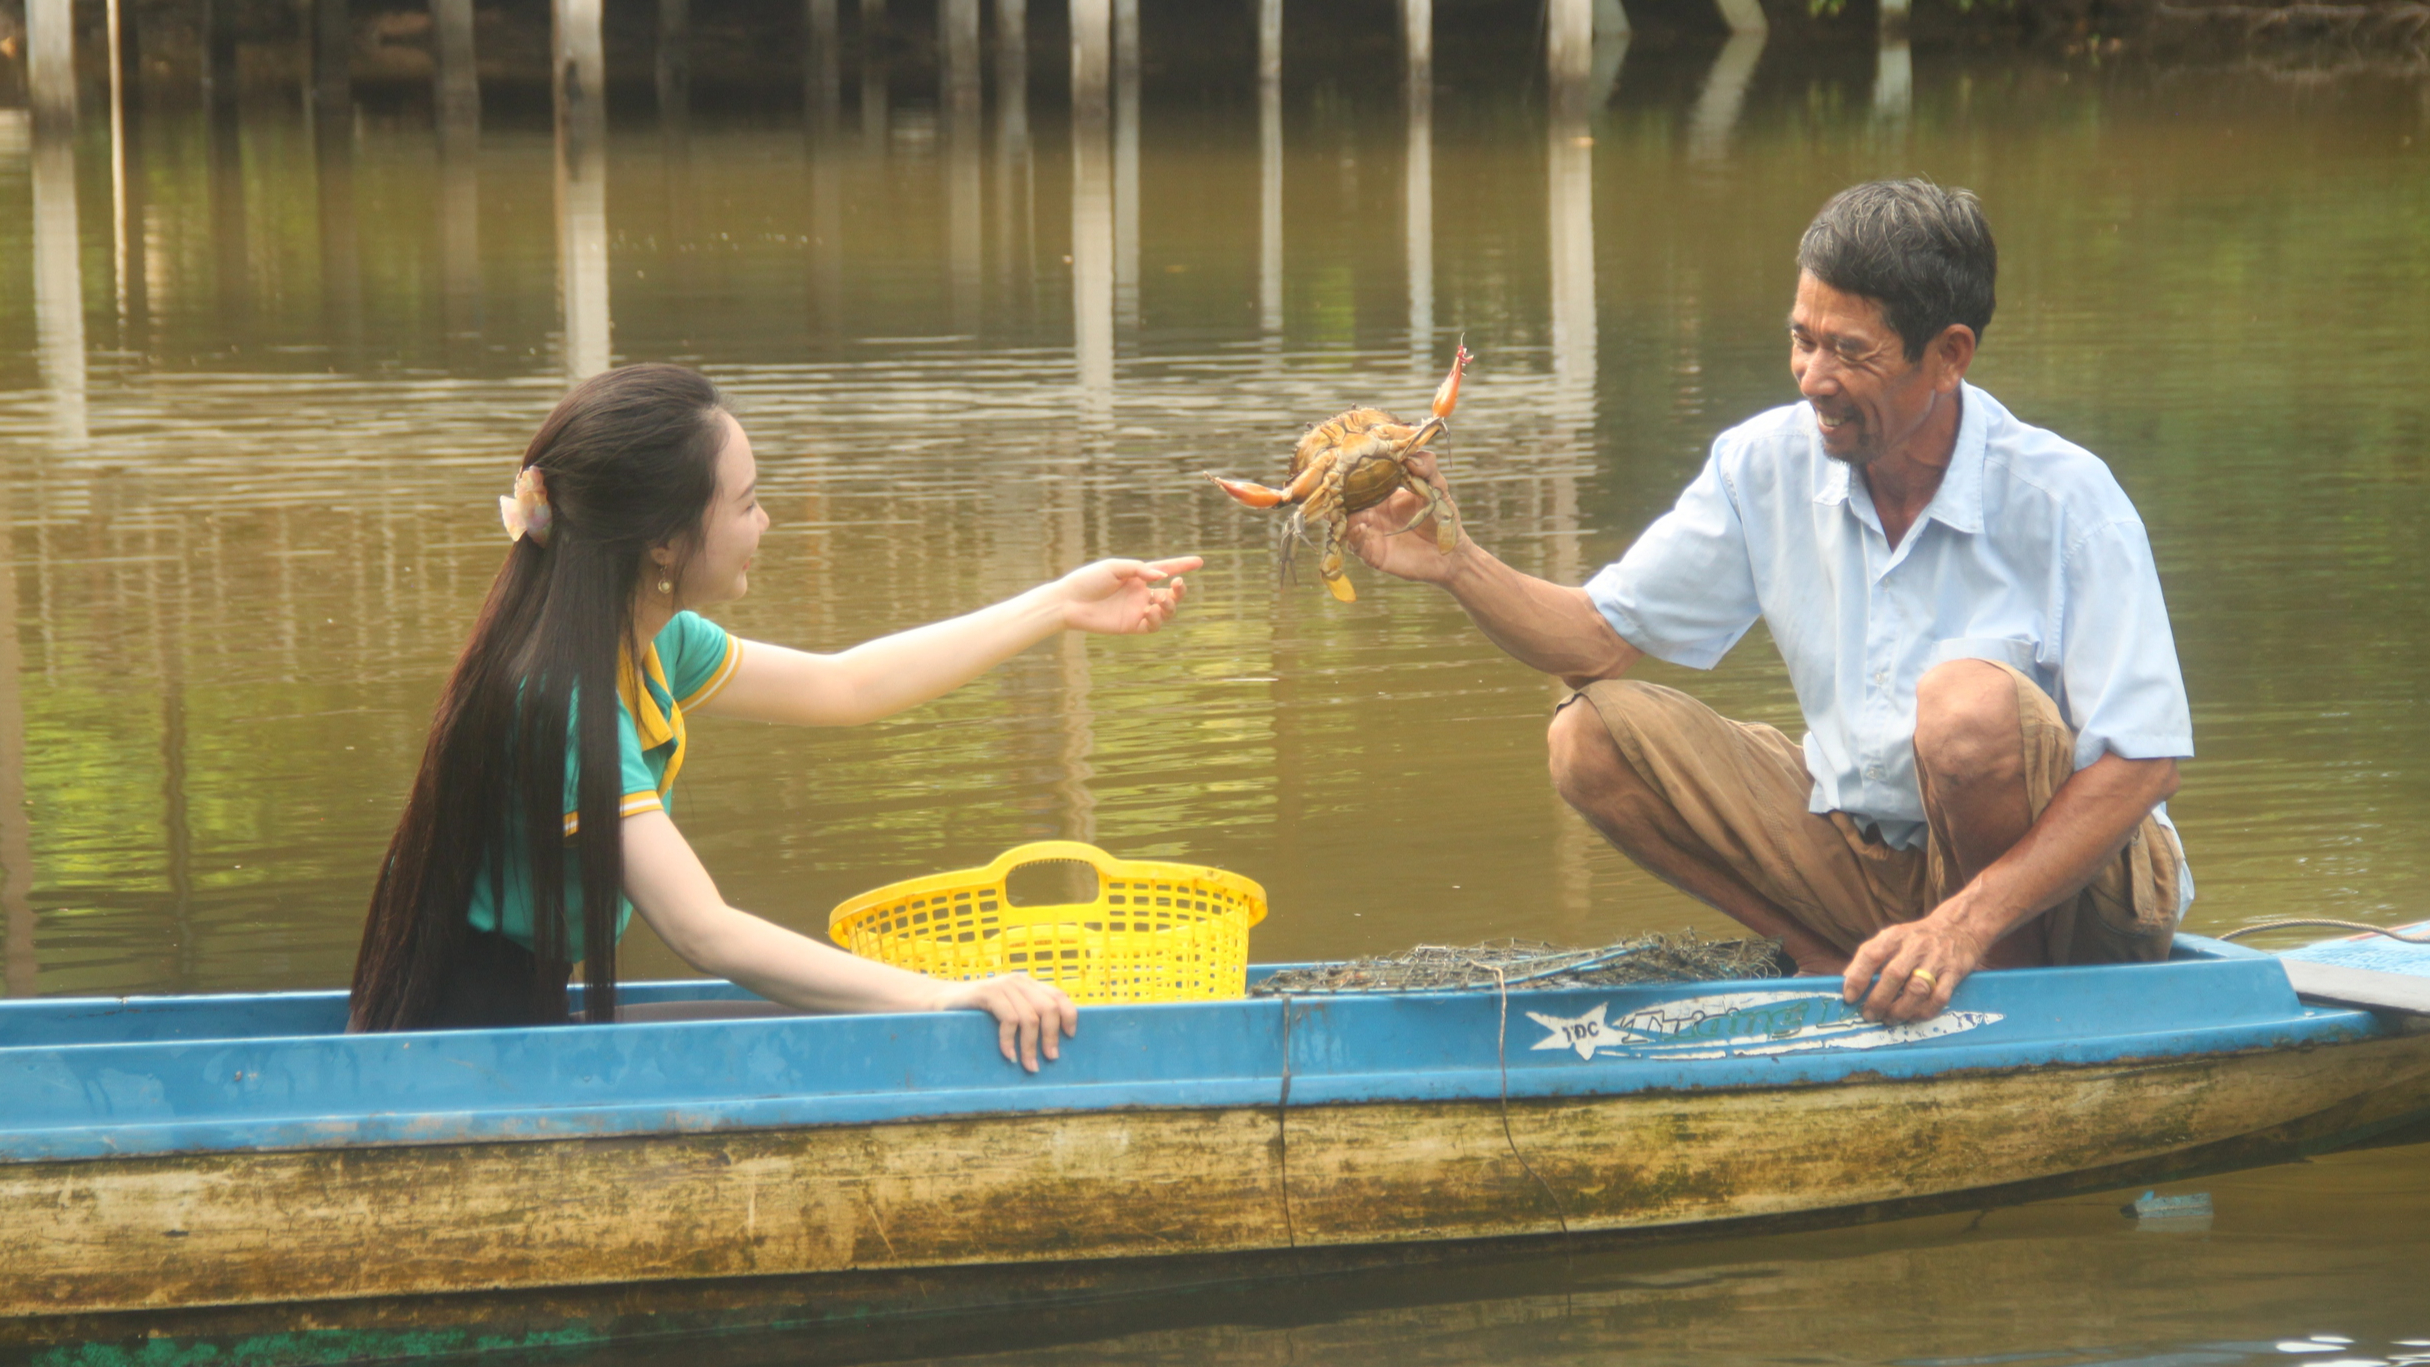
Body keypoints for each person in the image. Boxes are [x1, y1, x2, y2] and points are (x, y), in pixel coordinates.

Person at [1345, 179, 2193, 1025]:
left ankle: (2003, 1005)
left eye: (1850, 352)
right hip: (1870, 859)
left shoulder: (2064, 497)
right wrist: (1457, 563)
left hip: (2076, 908)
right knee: (1589, 737)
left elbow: (2143, 761)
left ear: (1950, 355)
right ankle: (1826, 956)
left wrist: (1961, 927)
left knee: (1965, 709)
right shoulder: (1765, 463)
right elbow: (1596, 637)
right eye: (1802, 340)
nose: (1813, 379)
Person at [349, 364, 1197, 1069]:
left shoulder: (650, 641)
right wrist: (943, 995)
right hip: (464, 1055)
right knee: (841, 1041)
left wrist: (1058, 604)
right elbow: (704, 929)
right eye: (747, 503)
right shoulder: (561, 702)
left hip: (517, 1030)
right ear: (663, 543)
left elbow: (847, 686)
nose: (767, 522)